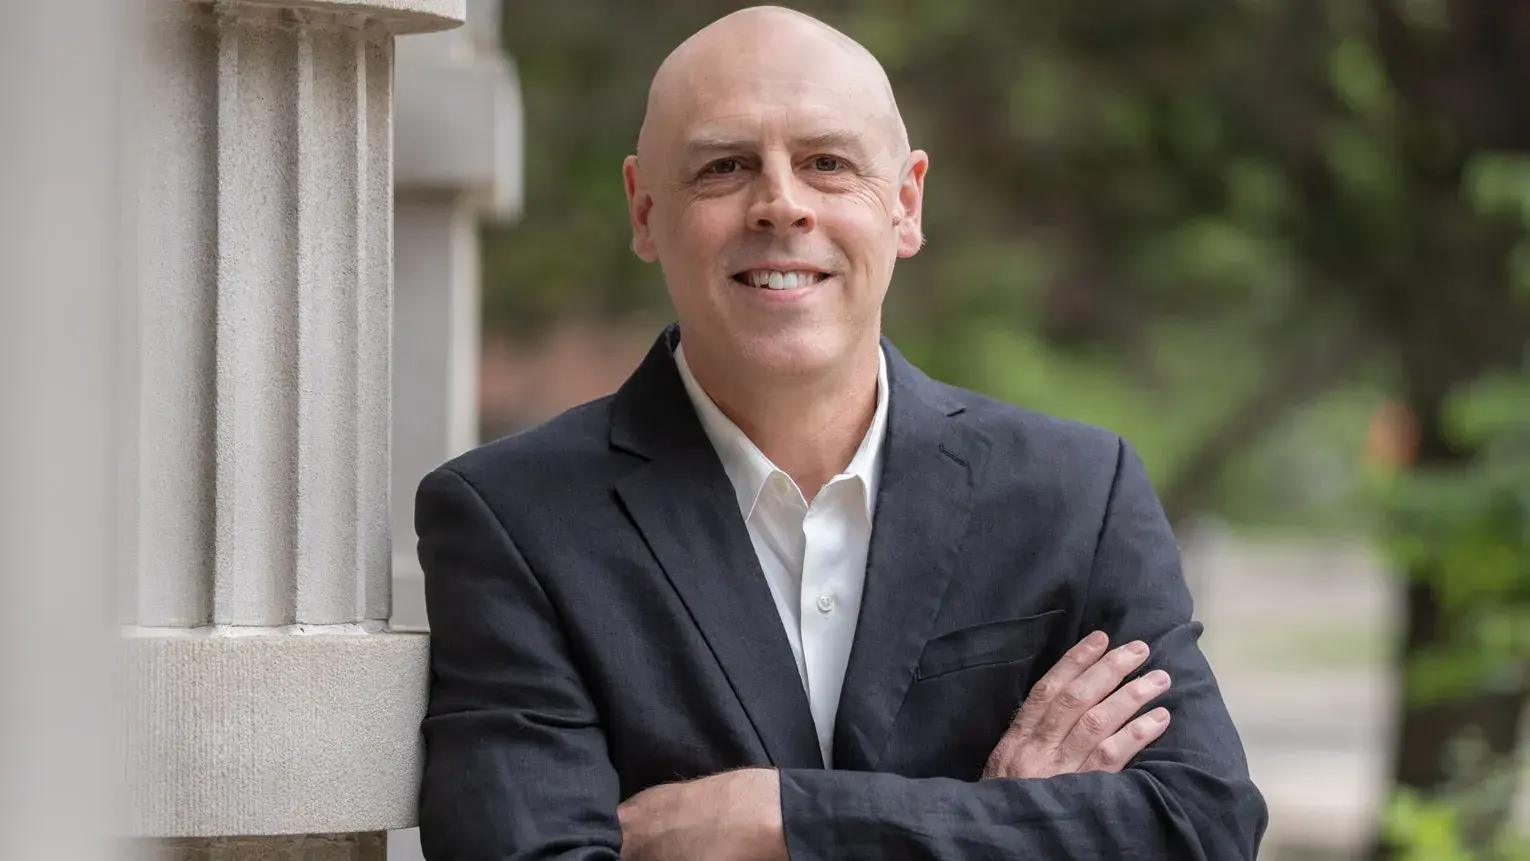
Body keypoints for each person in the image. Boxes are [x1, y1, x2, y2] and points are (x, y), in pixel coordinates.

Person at [414, 6, 1267, 859]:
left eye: (826, 163)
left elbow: (1199, 825)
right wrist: (1000, 822)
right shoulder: (511, 521)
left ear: (905, 202)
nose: (780, 204)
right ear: (643, 210)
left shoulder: (1079, 493)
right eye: (724, 167)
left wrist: (778, 821)